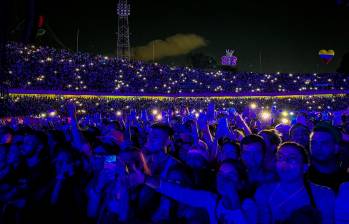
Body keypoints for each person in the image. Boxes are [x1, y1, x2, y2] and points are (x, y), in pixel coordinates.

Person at [135, 160, 257, 224]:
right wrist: (145, 179)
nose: (224, 179)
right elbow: (179, 192)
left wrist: (234, 200)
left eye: (230, 176)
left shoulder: (249, 205)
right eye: (220, 174)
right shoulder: (212, 200)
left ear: (241, 183)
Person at [254, 142, 335, 224]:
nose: (284, 162)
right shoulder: (264, 192)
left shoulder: (323, 194)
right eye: (280, 157)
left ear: (305, 167)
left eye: (292, 158)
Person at [308, 125, 349, 192]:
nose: (318, 148)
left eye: (324, 143)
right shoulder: (301, 177)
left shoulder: (345, 182)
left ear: (336, 148)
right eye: (314, 143)